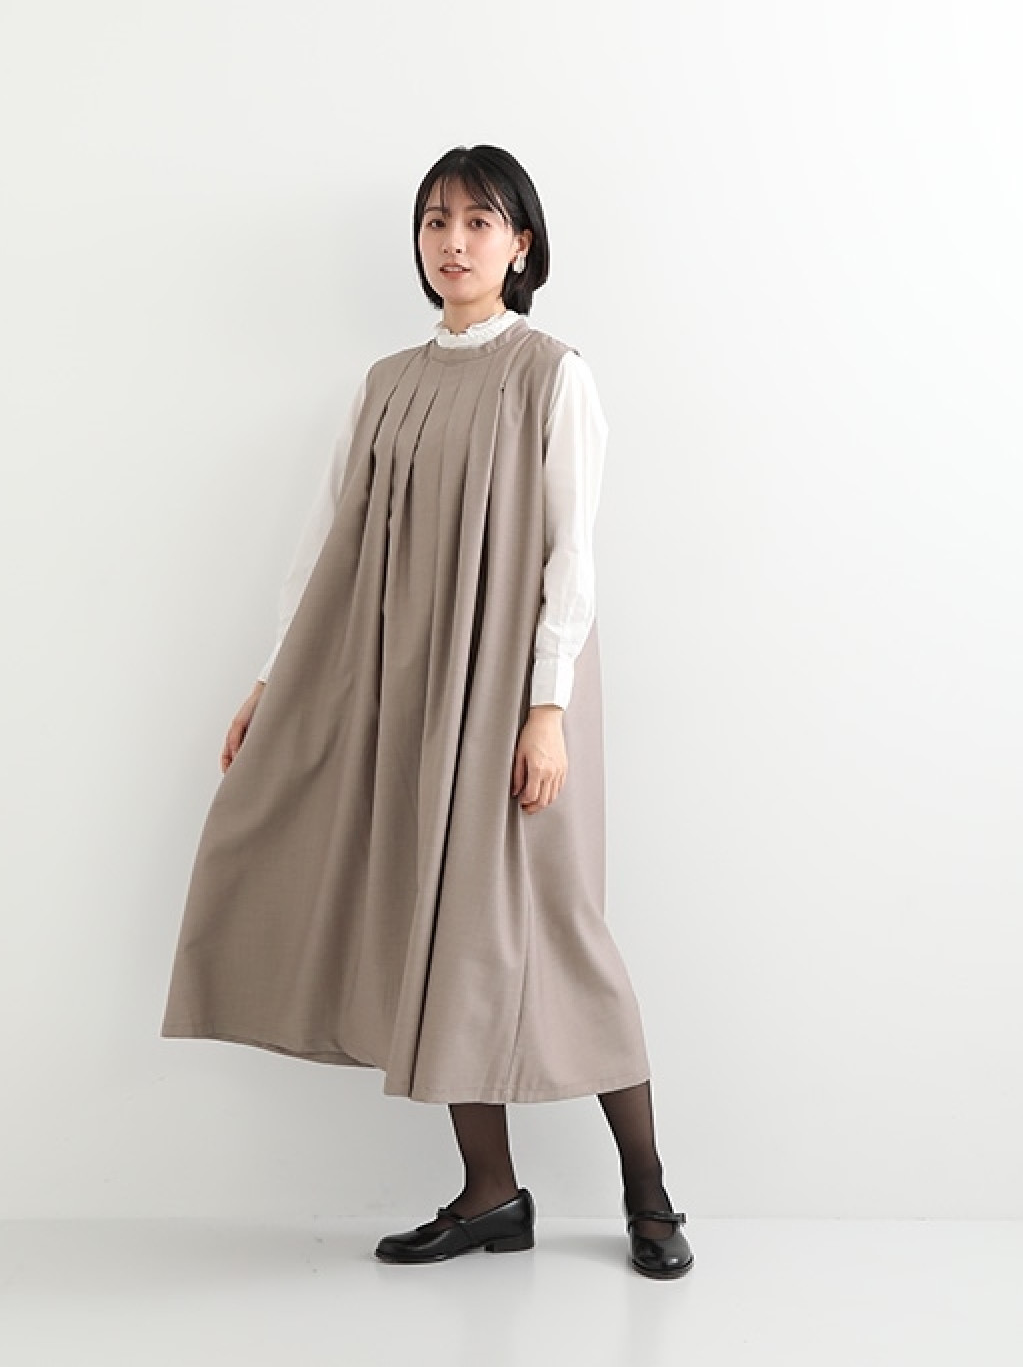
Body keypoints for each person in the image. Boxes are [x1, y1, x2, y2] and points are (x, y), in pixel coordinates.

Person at [160, 144, 693, 1279]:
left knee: (559, 929)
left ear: (521, 243)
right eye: (436, 222)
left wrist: (546, 708)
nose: (453, 242)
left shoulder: (553, 374)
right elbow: (326, 542)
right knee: (434, 921)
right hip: (406, 681)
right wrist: (272, 679)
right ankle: (491, 1194)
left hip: (511, 688)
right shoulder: (387, 383)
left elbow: (572, 556)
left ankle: (650, 1193)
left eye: (478, 222)